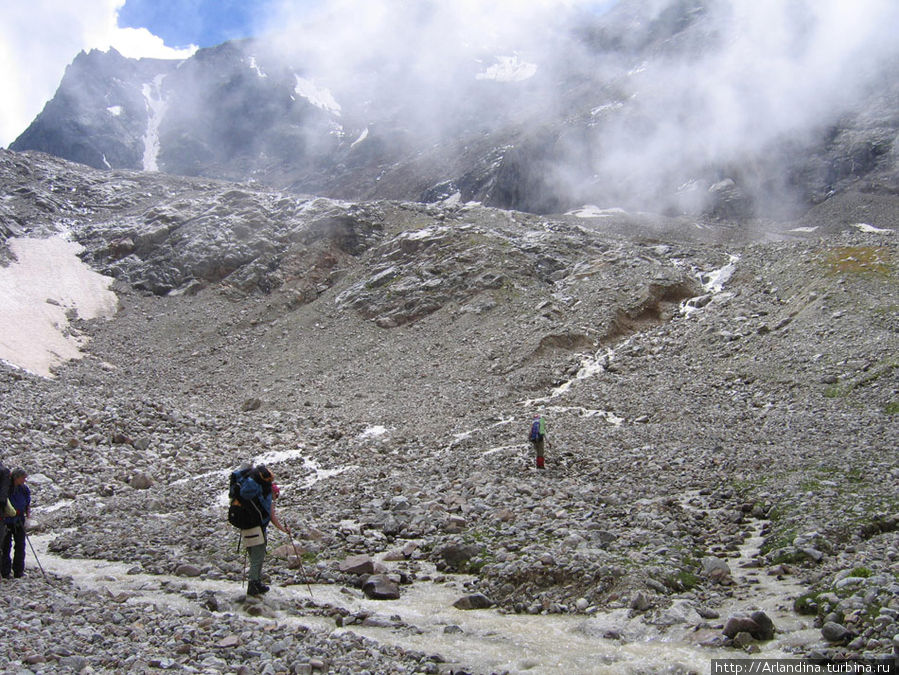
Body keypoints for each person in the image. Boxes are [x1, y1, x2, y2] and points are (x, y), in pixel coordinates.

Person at [239, 464, 287, 596]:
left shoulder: (253, 493)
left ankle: (257, 582)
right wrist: (284, 530)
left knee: (253, 555)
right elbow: (272, 516)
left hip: (245, 526)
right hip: (257, 529)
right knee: (258, 557)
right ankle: (253, 584)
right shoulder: (266, 495)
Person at [2, 468, 30, 579]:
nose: (24, 480)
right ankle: (5, 572)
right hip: (7, 521)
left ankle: (18, 571)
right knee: (6, 547)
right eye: (23, 478)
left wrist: (27, 512)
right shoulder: (6, 489)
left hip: (19, 521)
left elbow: (27, 502)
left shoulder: (23, 489)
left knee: (20, 546)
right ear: (16, 477)